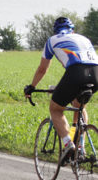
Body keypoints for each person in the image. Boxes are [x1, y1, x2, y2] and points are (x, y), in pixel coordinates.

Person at [24, 16, 98, 163]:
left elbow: (42, 69)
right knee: (79, 106)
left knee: (55, 109)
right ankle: (80, 145)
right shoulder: (83, 38)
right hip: (95, 74)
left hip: (75, 73)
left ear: (55, 30)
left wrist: (31, 87)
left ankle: (68, 144)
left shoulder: (51, 41)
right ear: (73, 30)